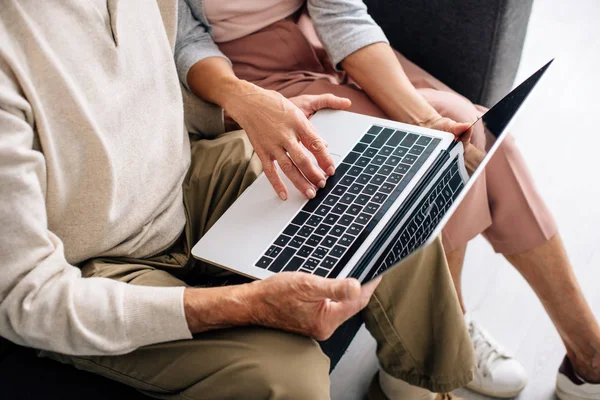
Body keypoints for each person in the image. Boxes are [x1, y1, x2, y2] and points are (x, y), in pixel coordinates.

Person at [0, 1, 475, 400]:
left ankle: (416, 385)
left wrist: (249, 108)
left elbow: (139, 86)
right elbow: (25, 297)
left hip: (184, 179)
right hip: (90, 264)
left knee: (379, 183)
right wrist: (245, 305)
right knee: (288, 377)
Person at [175, 0, 600, 399]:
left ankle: (588, 354)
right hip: (238, 77)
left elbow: (340, 12)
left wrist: (426, 119)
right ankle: (447, 331)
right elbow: (185, 40)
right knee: (428, 159)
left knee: (478, 136)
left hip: (325, 40)